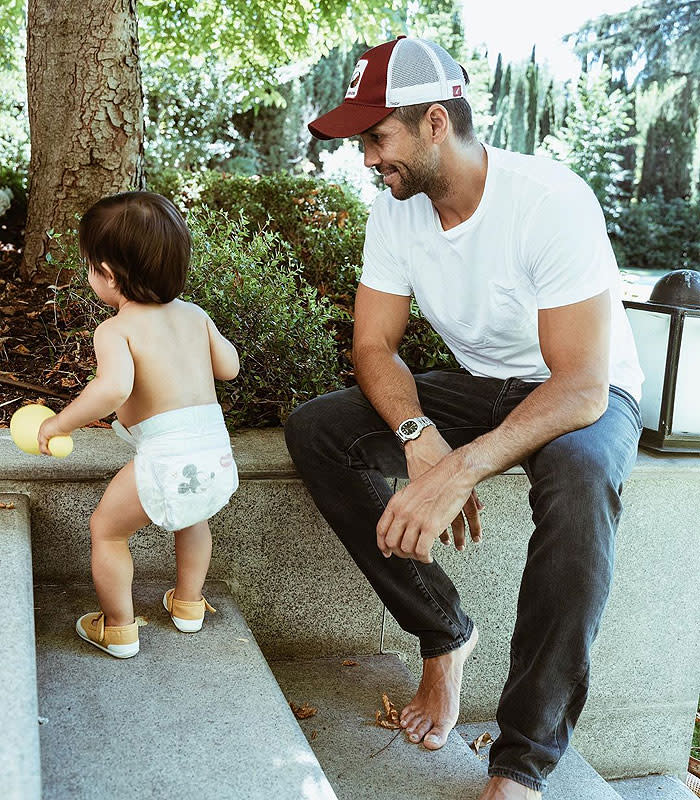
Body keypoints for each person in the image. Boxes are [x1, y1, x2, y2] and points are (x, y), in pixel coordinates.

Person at [284, 36, 643, 799]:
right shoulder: (397, 212)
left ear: (436, 122)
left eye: (377, 136)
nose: (367, 157)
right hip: (482, 384)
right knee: (320, 427)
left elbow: (581, 384)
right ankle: (445, 634)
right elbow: (374, 346)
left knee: (582, 481)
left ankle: (522, 762)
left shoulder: (549, 200)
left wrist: (463, 465)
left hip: (584, 387)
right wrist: (419, 437)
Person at [38, 191, 240, 659]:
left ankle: (118, 627)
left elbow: (111, 390)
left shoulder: (116, 330)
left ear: (107, 274)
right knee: (193, 519)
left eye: (91, 266)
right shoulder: (195, 315)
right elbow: (228, 367)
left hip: (165, 457)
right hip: (215, 457)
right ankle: (188, 605)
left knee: (107, 530)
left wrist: (60, 423)